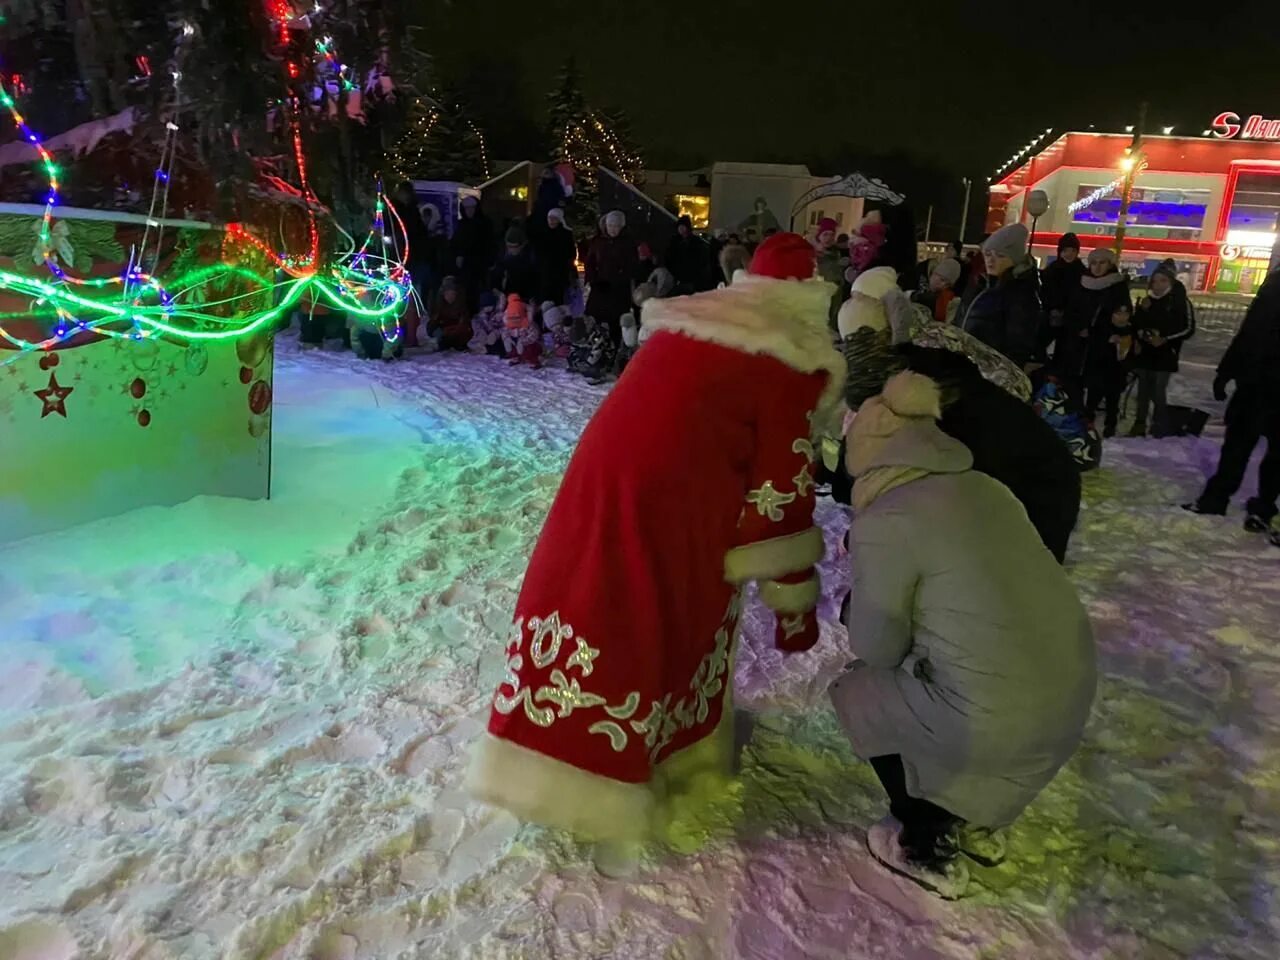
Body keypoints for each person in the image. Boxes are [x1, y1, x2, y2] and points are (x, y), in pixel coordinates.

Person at [468, 233, 846, 877]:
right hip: (678, 509)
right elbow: (780, 494)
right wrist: (793, 601)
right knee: (661, 619)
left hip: (601, 481)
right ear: (813, 300)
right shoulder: (789, 360)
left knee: (586, 598)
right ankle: (635, 772)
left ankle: (548, 759)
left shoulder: (688, 326)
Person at [830, 370, 1096, 898]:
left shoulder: (889, 518)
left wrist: (855, 603)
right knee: (961, 678)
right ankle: (973, 818)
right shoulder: (986, 486)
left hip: (997, 724)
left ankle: (922, 838)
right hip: (1068, 702)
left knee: (857, 690)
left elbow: (876, 646)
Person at [835, 272, 1078, 563]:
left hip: (1032, 494)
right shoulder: (914, 371)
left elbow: (910, 493)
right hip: (1014, 484)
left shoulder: (930, 399)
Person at [1184, 267, 1280, 531]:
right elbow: (1249, 332)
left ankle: (1263, 508)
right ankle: (1216, 499)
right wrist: (1225, 371)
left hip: (1269, 386)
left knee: (1275, 456)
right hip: (1254, 384)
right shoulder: (1273, 283)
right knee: (1236, 445)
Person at [1062, 248, 1132, 438]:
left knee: (1103, 386)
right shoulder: (1082, 284)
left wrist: (1106, 332)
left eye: (1103, 263)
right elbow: (1071, 312)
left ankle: (1107, 423)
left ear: (1110, 265)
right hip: (1080, 345)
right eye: (1094, 262)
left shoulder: (1117, 286)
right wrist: (1077, 328)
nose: (1098, 267)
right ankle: (1080, 420)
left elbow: (1122, 317)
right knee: (1077, 384)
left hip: (1105, 346)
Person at [958, 223, 1042, 369]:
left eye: (1000, 255)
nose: (991, 260)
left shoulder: (1020, 293)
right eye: (988, 254)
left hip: (989, 375)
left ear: (1014, 259)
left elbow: (1018, 346)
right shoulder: (979, 283)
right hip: (964, 366)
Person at [1130, 259, 1195, 437]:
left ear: (1171, 282)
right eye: (1156, 280)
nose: (1158, 285)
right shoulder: (1147, 301)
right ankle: (1139, 424)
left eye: (1163, 281)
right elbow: (1135, 324)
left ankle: (1159, 425)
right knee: (1142, 391)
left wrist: (1165, 339)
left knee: (1158, 392)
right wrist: (1142, 333)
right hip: (1145, 353)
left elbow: (1188, 329)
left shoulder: (1180, 302)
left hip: (1165, 355)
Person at [584, 210, 639, 345]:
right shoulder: (598, 241)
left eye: (616, 226)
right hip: (600, 286)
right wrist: (593, 280)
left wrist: (622, 278)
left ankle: (614, 350)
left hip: (619, 289)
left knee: (616, 321)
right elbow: (590, 262)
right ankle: (595, 348)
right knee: (596, 319)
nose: (613, 229)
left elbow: (632, 264)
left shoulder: (627, 242)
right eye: (611, 226)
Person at [1039, 233, 1085, 360]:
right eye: (1066, 250)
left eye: (1072, 250)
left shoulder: (1082, 273)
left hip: (1073, 322)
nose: (1069, 254)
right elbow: (1044, 293)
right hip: (1050, 319)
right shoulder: (1051, 271)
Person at [451, 195, 495, 308]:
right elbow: (455, 244)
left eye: (472, 208)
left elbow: (490, 244)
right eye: (467, 208)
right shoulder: (461, 225)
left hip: (480, 266)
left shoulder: (485, 224)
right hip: (464, 268)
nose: (469, 211)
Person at [536, 207, 578, 307]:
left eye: (554, 218)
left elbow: (571, 254)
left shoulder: (566, 235)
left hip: (560, 273)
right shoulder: (542, 233)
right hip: (544, 273)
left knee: (559, 301)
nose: (551, 221)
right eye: (550, 218)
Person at [491, 225, 539, 304]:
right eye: (509, 246)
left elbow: (536, 282)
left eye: (514, 247)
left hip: (526, 299)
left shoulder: (530, 258)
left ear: (522, 245)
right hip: (508, 299)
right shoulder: (502, 257)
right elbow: (494, 281)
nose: (511, 250)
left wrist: (533, 299)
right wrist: (499, 294)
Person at [665, 214, 709, 294]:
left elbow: (700, 259)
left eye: (683, 226)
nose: (681, 229)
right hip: (677, 276)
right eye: (679, 226)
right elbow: (669, 257)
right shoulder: (674, 241)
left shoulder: (696, 242)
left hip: (692, 278)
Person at [911, 257, 963, 324]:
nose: (942, 286)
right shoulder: (914, 279)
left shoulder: (942, 296)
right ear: (934, 273)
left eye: (947, 285)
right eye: (942, 280)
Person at [427, 276, 470, 351]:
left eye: (452, 294)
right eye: (447, 294)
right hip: (444, 330)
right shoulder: (439, 304)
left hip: (456, 330)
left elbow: (464, 321)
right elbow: (432, 323)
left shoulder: (461, 304)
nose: (450, 297)